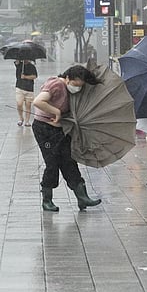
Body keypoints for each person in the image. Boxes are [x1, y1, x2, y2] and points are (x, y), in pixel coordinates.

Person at [32, 65, 102, 212]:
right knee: (52, 163)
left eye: (80, 86)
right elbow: (38, 102)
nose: (77, 88)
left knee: (69, 161)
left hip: (61, 130)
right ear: (68, 78)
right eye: (76, 84)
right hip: (44, 129)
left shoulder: (73, 89)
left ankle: (82, 198)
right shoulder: (56, 84)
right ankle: (47, 200)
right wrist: (56, 111)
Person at [15, 60, 37, 127]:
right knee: (19, 103)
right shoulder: (19, 65)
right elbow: (16, 63)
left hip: (29, 88)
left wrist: (25, 77)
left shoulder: (32, 66)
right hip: (19, 87)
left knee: (28, 105)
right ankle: (21, 118)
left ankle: (27, 121)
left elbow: (34, 76)